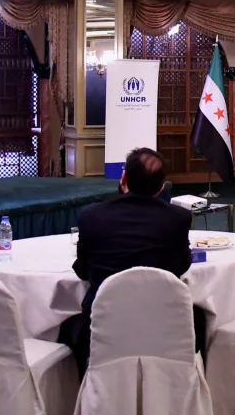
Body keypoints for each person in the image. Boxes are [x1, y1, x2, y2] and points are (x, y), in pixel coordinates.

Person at [58, 147, 199, 374]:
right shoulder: (178, 218)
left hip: (104, 327)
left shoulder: (92, 216)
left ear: (123, 179)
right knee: (200, 318)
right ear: (161, 187)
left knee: (65, 327)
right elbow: (181, 266)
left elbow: (82, 271)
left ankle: (84, 387)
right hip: (163, 325)